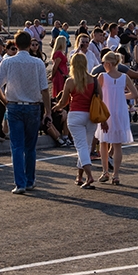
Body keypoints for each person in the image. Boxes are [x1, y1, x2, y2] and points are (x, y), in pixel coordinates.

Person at [0, 30, 51, 194]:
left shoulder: (8, 62)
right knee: (30, 147)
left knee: (17, 146)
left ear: (15, 45)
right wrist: (48, 112)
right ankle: (30, 180)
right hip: (33, 106)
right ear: (29, 45)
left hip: (14, 105)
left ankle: (20, 183)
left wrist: (5, 101)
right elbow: (45, 90)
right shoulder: (38, 63)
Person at [53, 52, 98, 189]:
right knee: (87, 146)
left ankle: (89, 176)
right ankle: (79, 176)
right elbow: (100, 98)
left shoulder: (70, 81)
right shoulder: (94, 80)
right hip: (91, 116)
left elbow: (64, 101)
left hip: (76, 115)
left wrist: (56, 107)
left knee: (81, 146)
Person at [96, 52, 138, 185]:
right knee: (117, 144)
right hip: (120, 112)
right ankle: (116, 174)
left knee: (103, 142)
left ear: (108, 63)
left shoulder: (102, 76)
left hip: (106, 111)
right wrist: (121, 96)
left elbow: (96, 94)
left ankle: (105, 171)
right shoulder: (124, 77)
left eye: (104, 63)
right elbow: (135, 94)